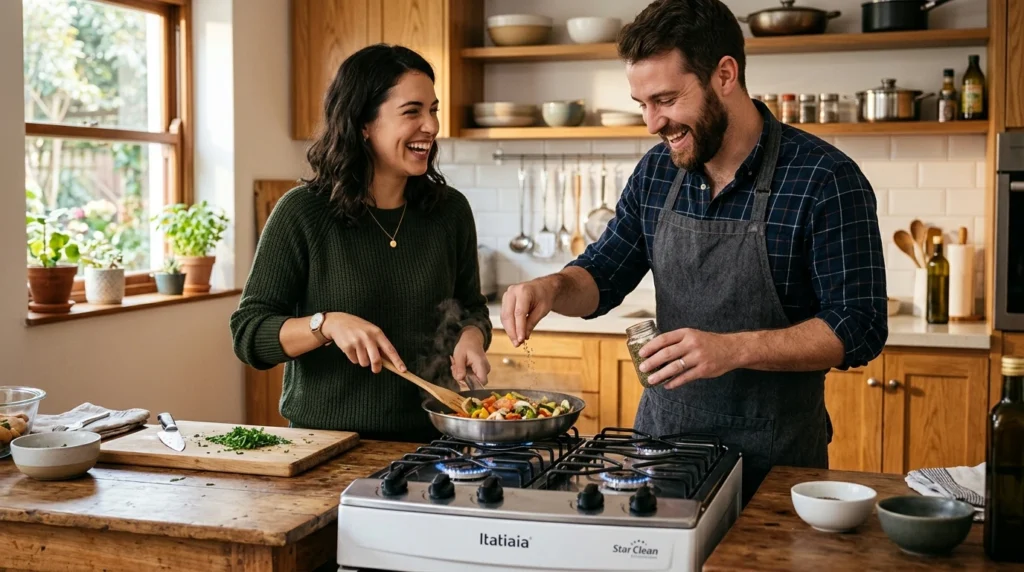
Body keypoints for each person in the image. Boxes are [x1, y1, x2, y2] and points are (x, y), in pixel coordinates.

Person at [500, 0, 887, 504]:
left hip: (776, 465)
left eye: (665, 99)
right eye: (642, 103)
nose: (651, 123)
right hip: (661, 456)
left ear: (724, 74)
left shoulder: (824, 179)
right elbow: (603, 274)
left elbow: (859, 326)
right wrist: (552, 287)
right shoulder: (657, 172)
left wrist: (733, 349)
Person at [230, 44, 492, 443]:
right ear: (364, 124)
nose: (431, 126)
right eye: (412, 112)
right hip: (324, 445)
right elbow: (249, 334)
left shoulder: (449, 212)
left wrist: (473, 334)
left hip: (432, 441)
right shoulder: (303, 213)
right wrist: (326, 325)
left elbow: (471, 307)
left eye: (433, 110)